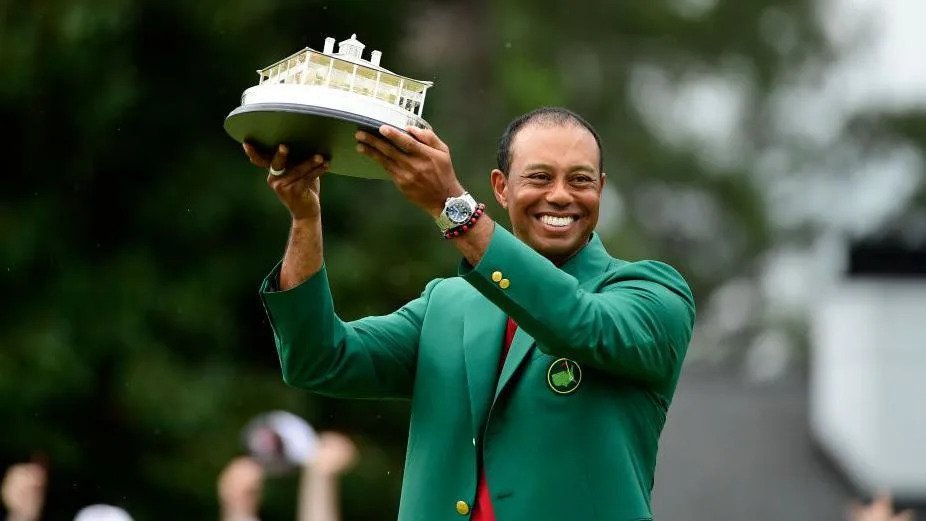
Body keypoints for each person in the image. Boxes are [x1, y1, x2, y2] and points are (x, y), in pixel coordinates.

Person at [245, 107, 696, 520]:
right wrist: (305, 220)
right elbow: (319, 359)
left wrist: (451, 206)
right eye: (539, 177)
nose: (560, 196)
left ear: (600, 188)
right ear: (501, 187)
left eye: (579, 180)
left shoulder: (651, 293)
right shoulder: (448, 303)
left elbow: (577, 322)